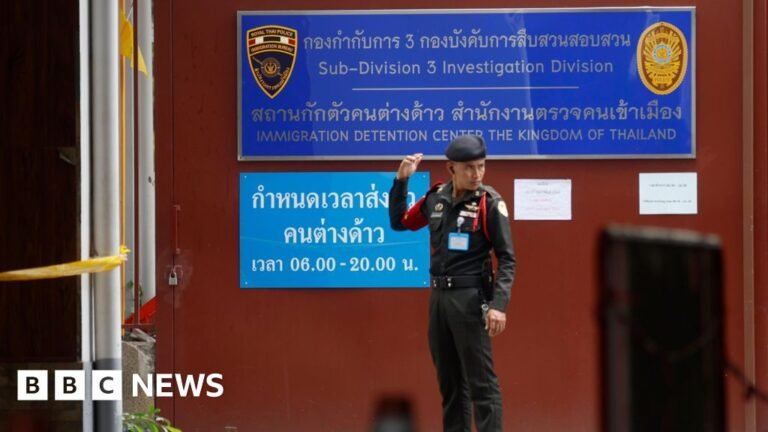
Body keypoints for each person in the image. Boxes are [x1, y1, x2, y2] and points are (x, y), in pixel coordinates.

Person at [388, 135, 516, 432]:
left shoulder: (489, 203)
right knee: (451, 385)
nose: (477, 174)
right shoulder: (436, 198)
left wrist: (498, 306)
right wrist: (401, 181)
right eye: (469, 167)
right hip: (440, 300)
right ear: (451, 168)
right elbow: (400, 222)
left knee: (482, 386)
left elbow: (507, 259)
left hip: (470, 299)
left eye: (481, 166)